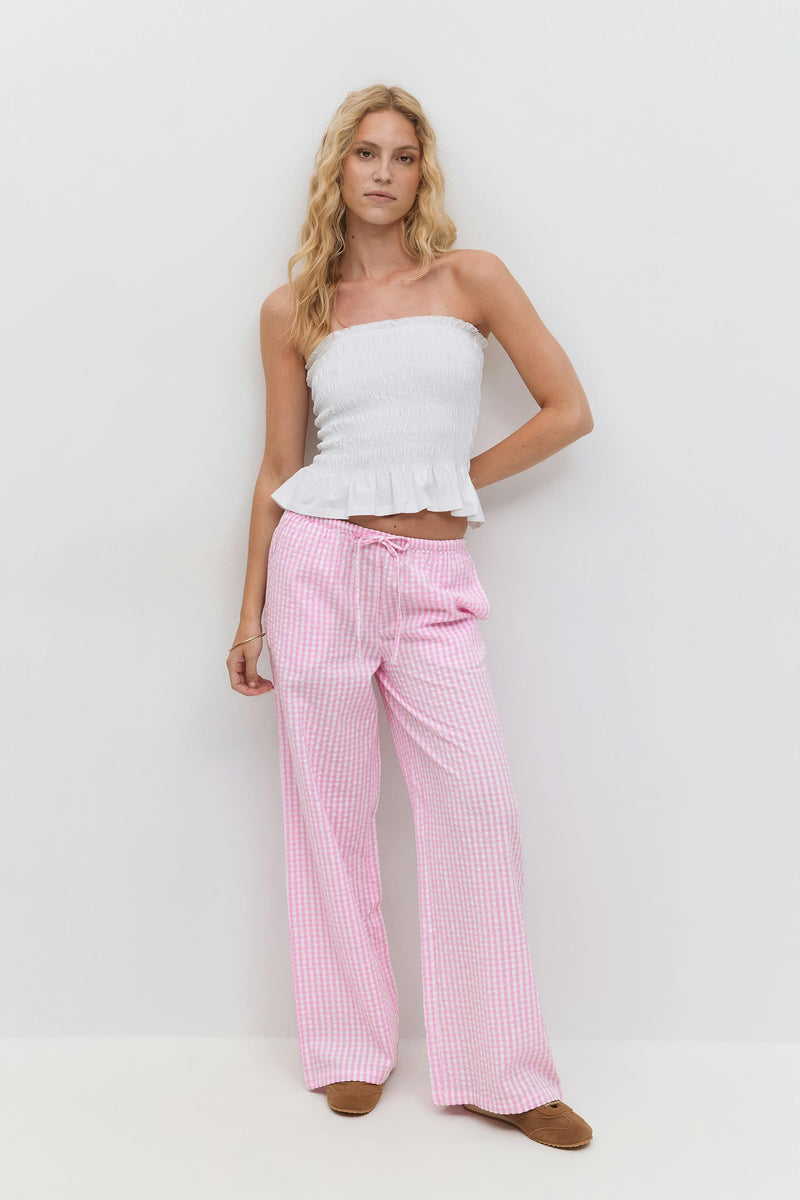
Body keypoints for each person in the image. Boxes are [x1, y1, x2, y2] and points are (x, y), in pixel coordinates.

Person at [226, 84, 595, 1151]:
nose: (382, 173)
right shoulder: (294, 306)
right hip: (317, 569)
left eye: (401, 155)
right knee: (331, 814)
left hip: (430, 581)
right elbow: (279, 467)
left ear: (421, 172)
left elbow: (567, 411)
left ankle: (503, 1071)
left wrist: (451, 482)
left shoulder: (471, 279)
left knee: (476, 809)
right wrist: (249, 611)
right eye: (364, 154)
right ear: (336, 170)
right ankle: (349, 1048)